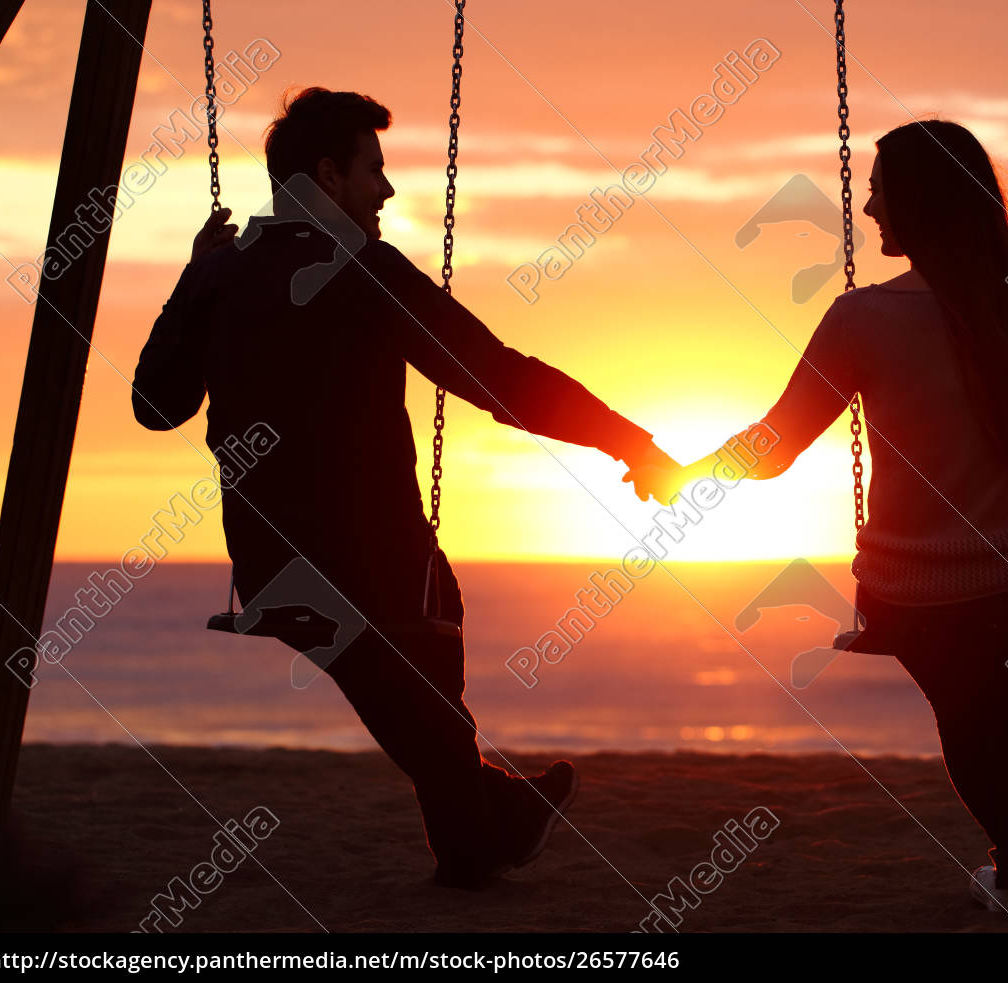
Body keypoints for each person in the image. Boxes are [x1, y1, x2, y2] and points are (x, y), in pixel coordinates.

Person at [131, 87, 675, 889]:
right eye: (373, 169)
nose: (385, 190)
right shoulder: (359, 267)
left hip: (271, 569)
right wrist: (629, 440)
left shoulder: (221, 277)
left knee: (412, 696)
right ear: (328, 173)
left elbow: (154, 407)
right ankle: (485, 830)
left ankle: (487, 829)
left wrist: (191, 276)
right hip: (377, 565)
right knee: (427, 647)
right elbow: (496, 375)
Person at [650, 120, 1008, 915]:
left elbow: (774, 444)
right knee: (1007, 739)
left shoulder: (865, 318)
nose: (867, 207)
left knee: (979, 745)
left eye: (878, 191)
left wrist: (689, 473)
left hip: (926, 590)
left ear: (916, 201)